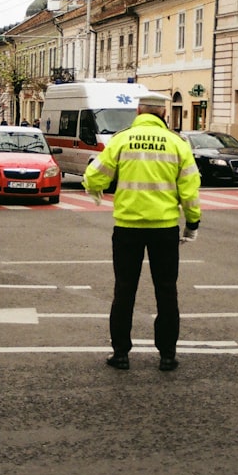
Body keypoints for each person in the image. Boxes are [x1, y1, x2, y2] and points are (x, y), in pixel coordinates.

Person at [83, 92, 202, 372]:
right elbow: (190, 189)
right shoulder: (177, 144)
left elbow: (94, 175)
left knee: (124, 291)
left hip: (128, 228)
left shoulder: (121, 140)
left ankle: (121, 353)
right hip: (164, 229)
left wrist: (95, 190)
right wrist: (193, 223)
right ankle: (168, 355)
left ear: (138, 112)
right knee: (166, 291)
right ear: (164, 115)